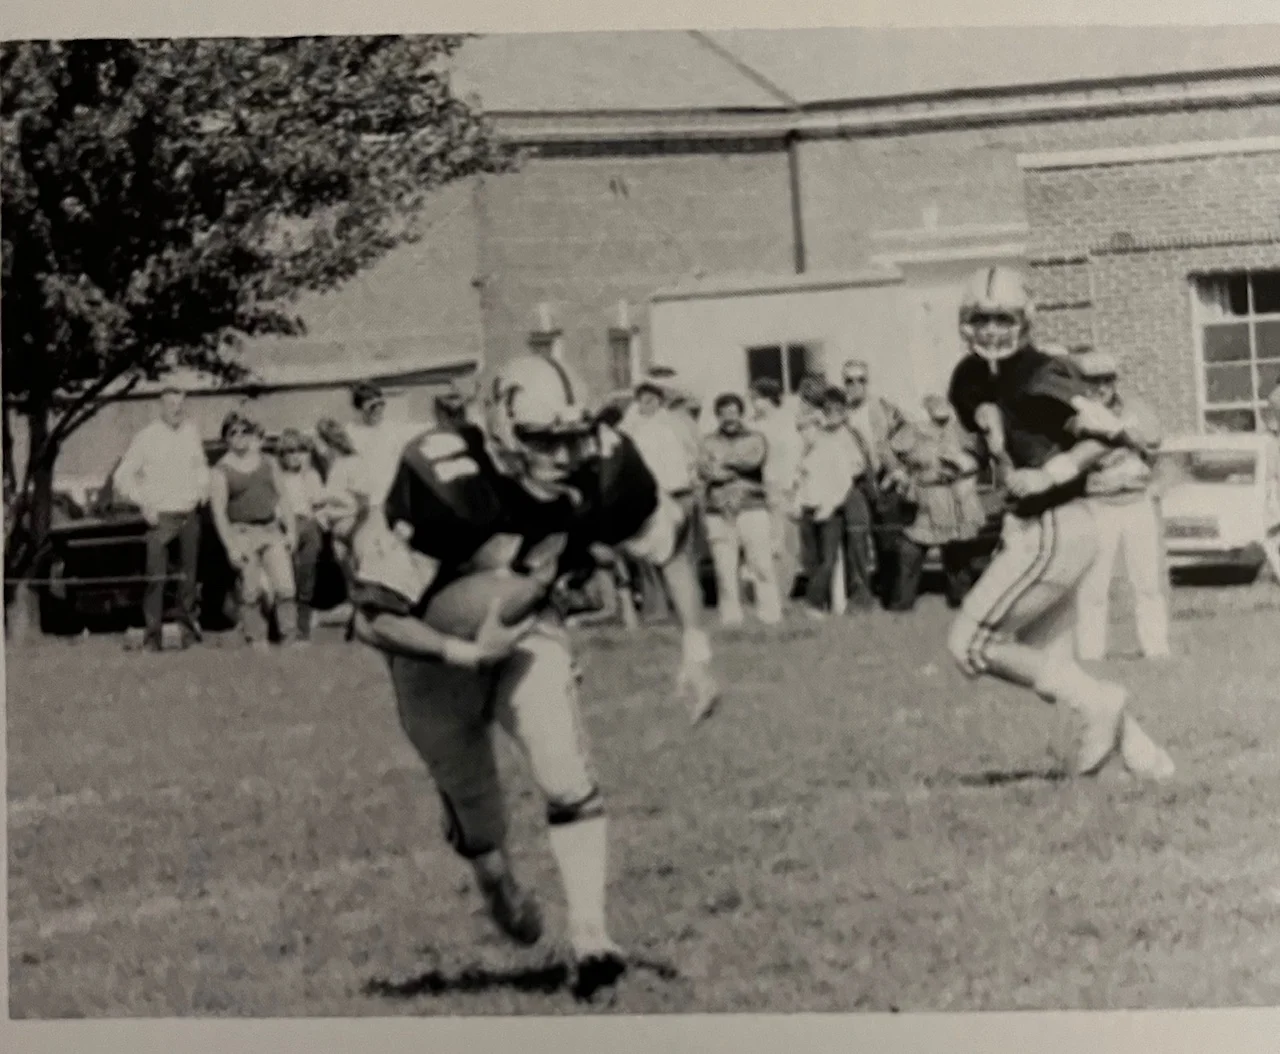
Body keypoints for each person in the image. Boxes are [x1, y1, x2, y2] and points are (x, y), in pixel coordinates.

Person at [336, 353, 718, 999]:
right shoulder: (443, 473)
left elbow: (668, 544)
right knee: (479, 815)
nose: (566, 453)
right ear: (502, 427)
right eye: (546, 438)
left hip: (526, 625)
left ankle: (592, 938)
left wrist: (695, 649)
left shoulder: (607, 461)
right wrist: (462, 653)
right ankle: (496, 884)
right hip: (433, 648)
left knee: (566, 772)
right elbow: (372, 618)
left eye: (574, 434)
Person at [944, 265, 1174, 781]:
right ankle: (1146, 759)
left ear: (1026, 318)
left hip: (1057, 522)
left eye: (1003, 318)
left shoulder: (1046, 372)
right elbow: (983, 427)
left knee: (971, 644)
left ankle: (1104, 703)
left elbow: (1109, 436)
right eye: (981, 319)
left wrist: (1055, 470)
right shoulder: (967, 376)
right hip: (1032, 527)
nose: (992, 331)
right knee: (1053, 665)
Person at [1072, 351, 1171, 661]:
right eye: (1091, 381)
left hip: (1136, 501)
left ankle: (1155, 649)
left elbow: (1153, 444)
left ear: (1114, 382)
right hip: (1098, 504)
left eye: (1105, 380)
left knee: (1147, 581)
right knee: (1093, 584)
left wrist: (1130, 438)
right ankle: (1091, 652)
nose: (1099, 388)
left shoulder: (1135, 408)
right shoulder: (1075, 415)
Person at [112, 385, 210, 651]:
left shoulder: (191, 433)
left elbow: (200, 466)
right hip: (160, 517)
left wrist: (203, 488)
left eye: (180, 405)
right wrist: (144, 503)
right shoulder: (146, 437)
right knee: (156, 579)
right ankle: (152, 638)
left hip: (188, 514)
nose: (177, 410)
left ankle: (189, 636)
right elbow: (122, 477)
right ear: (161, 406)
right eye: (171, 405)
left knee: (188, 580)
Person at [890, 394, 991, 611]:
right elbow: (896, 454)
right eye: (934, 407)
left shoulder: (962, 431)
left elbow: (979, 457)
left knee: (957, 550)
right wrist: (901, 474)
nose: (940, 411)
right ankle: (902, 600)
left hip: (955, 497)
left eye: (944, 406)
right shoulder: (913, 431)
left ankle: (960, 597)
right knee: (911, 549)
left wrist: (963, 464)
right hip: (924, 496)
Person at [209, 411, 299, 647]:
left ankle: (289, 637)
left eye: (244, 431)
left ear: (251, 434)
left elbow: (284, 498)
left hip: (271, 530)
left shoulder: (268, 463)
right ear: (226, 438)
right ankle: (256, 640)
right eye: (233, 432)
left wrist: (291, 530)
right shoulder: (221, 471)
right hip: (242, 533)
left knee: (285, 586)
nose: (239, 436)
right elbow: (218, 513)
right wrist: (231, 547)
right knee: (251, 592)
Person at [698, 393, 783, 626]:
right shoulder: (707, 441)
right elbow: (704, 469)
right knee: (725, 568)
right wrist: (728, 466)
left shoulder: (755, 437)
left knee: (761, 564)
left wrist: (723, 463)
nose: (729, 418)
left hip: (752, 507)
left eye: (733, 412)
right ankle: (731, 618)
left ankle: (770, 615)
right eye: (724, 413)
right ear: (717, 416)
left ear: (741, 413)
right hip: (718, 510)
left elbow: (753, 461)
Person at [840, 358, 913, 608]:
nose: (855, 385)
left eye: (860, 380)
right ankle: (861, 598)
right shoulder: (840, 413)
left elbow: (906, 439)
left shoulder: (884, 407)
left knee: (888, 540)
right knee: (857, 540)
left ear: (867, 382)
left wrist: (899, 471)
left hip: (885, 478)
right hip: (856, 483)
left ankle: (893, 597)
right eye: (849, 380)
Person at [794, 386, 861, 618]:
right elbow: (800, 470)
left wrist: (831, 505)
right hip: (808, 503)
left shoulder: (845, 439)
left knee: (829, 558)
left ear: (844, 412)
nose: (832, 413)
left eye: (838, 410)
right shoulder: (813, 436)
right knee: (810, 558)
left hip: (830, 507)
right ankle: (820, 603)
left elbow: (847, 479)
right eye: (827, 409)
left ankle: (814, 603)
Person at [749, 378, 804, 601]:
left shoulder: (788, 421)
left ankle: (783, 591)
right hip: (763, 488)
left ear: (768, 398)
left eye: (756, 399)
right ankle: (766, 591)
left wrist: (794, 484)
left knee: (786, 542)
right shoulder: (754, 425)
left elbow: (795, 453)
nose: (753, 403)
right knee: (766, 542)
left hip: (786, 486)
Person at [276, 428, 328, 642]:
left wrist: (320, 527)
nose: (294, 456)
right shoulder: (278, 478)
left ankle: (302, 630)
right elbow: (276, 507)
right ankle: (284, 629)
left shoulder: (312, 476)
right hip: (286, 527)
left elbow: (319, 504)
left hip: (309, 526)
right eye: (289, 452)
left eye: (299, 451)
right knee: (287, 579)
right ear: (282, 455)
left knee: (307, 578)